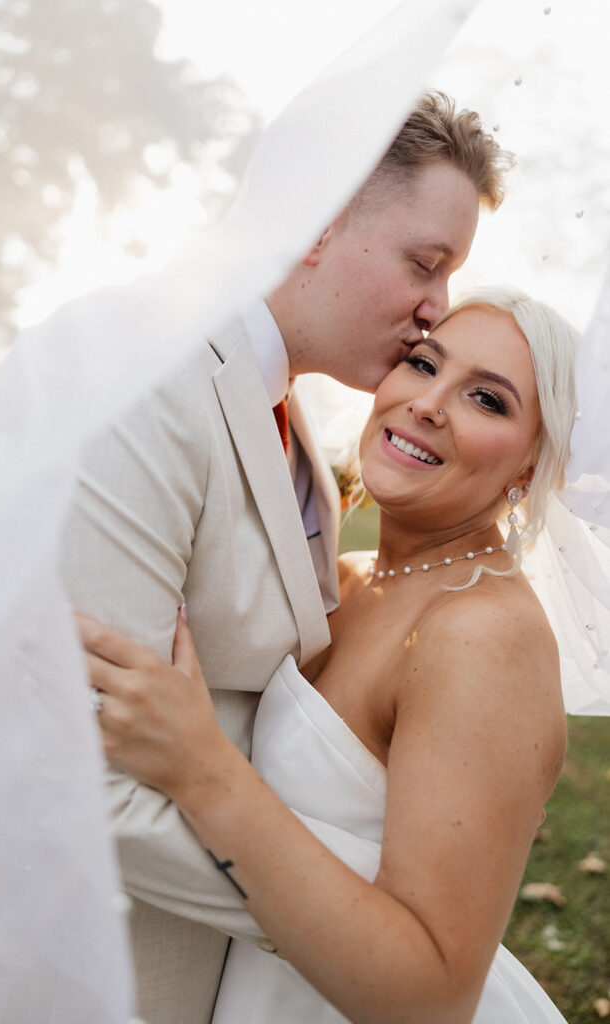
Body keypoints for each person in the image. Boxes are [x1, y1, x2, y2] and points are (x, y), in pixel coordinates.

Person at [62, 91, 508, 1023]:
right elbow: (78, 771)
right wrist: (359, 936)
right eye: (424, 265)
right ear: (315, 224)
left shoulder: (294, 423)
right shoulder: (144, 388)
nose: (436, 311)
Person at [77, 287, 578, 1024]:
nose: (427, 403)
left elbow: (430, 997)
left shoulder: (482, 634)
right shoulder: (345, 580)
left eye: (486, 400)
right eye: (421, 362)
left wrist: (200, 769)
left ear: (531, 470)